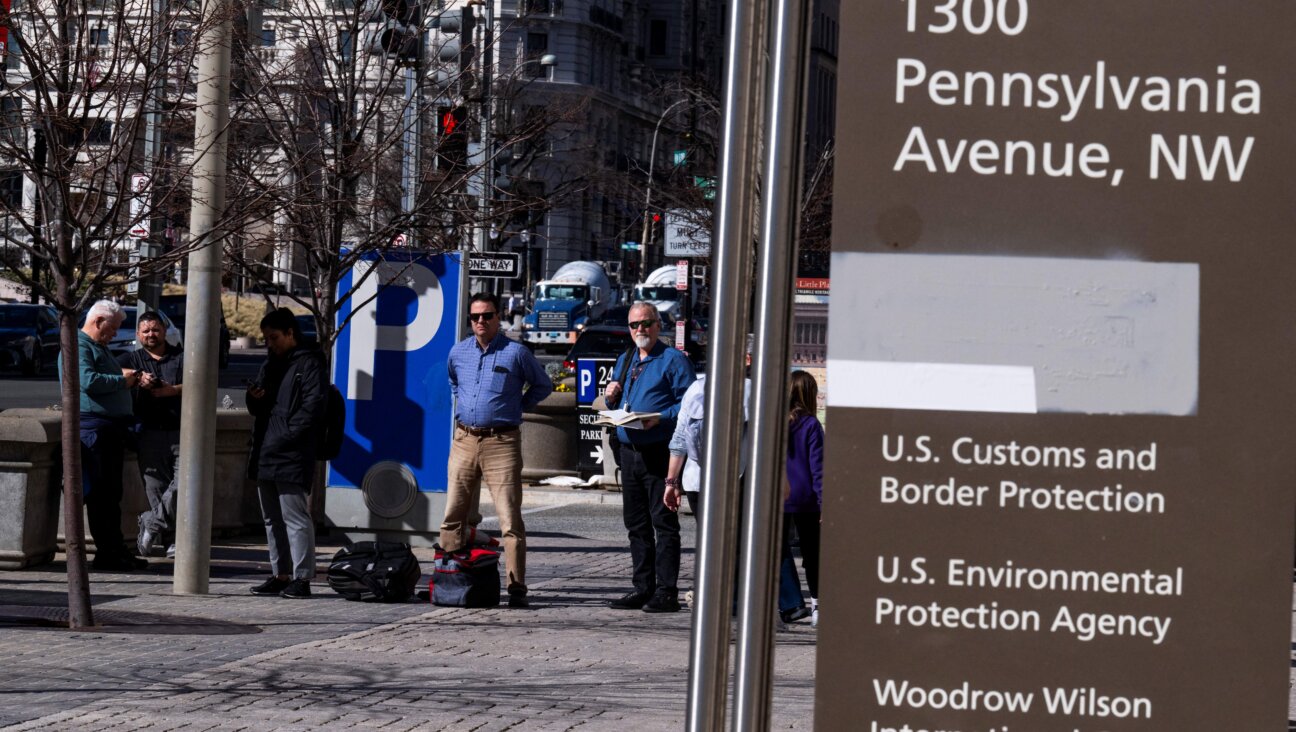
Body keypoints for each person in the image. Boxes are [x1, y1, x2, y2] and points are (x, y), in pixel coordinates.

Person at [440, 292, 552, 608]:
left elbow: (543, 385)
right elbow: (453, 383)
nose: (480, 322)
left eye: (486, 316)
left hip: (502, 442)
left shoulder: (516, 353)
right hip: (464, 439)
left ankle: (516, 587)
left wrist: (517, 407)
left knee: (509, 517)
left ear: (497, 317)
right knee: (454, 514)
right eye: (474, 317)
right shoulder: (458, 352)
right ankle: (450, 576)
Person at [604, 302, 695, 613]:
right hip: (629, 452)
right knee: (636, 524)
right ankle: (642, 587)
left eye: (646, 324)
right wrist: (609, 395)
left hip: (658, 450)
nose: (640, 330)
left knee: (663, 522)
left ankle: (666, 590)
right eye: (634, 325)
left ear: (658, 325)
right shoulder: (626, 358)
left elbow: (690, 405)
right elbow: (612, 399)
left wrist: (661, 416)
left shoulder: (672, 360)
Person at [61, 299, 155, 571]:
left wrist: (126, 375)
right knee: (103, 495)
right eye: (112, 328)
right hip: (94, 430)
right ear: (99, 321)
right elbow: (87, 381)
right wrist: (123, 381)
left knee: (111, 494)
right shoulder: (78, 345)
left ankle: (114, 550)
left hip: (107, 429)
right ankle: (108, 553)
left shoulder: (95, 346)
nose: (115, 334)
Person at [246, 308, 328, 599]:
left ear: (291, 333)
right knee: (271, 518)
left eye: (274, 337)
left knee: (294, 516)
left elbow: (313, 407)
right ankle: (280, 573)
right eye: (266, 338)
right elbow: (261, 406)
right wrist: (254, 397)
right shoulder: (271, 363)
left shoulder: (309, 363)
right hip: (266, 449)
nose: (270, 343)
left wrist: (287, 436)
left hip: (290, 451)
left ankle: (302, 577)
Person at [119, 312, 183, 560]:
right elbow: (112, 369)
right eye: (145, 331)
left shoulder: (181, 357)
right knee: (156, 489)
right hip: (147, 432)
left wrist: (171, 390)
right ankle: (170, 541)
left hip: (180, 430)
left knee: (183, 484)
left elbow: (201, 381)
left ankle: (151, 522)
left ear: (165, 330)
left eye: (155, 329)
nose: (150, 335)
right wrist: (137, 377)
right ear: (138, 334)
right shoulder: (133, 358)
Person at [783, 370, 824, 626]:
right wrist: (824, 501)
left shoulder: (777, 422)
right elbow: (818, 467)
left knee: (779, 552)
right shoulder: (811, 424)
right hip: (807, 499)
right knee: (812, 553)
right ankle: (817, 604)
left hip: (779, 496)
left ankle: (789, 602)